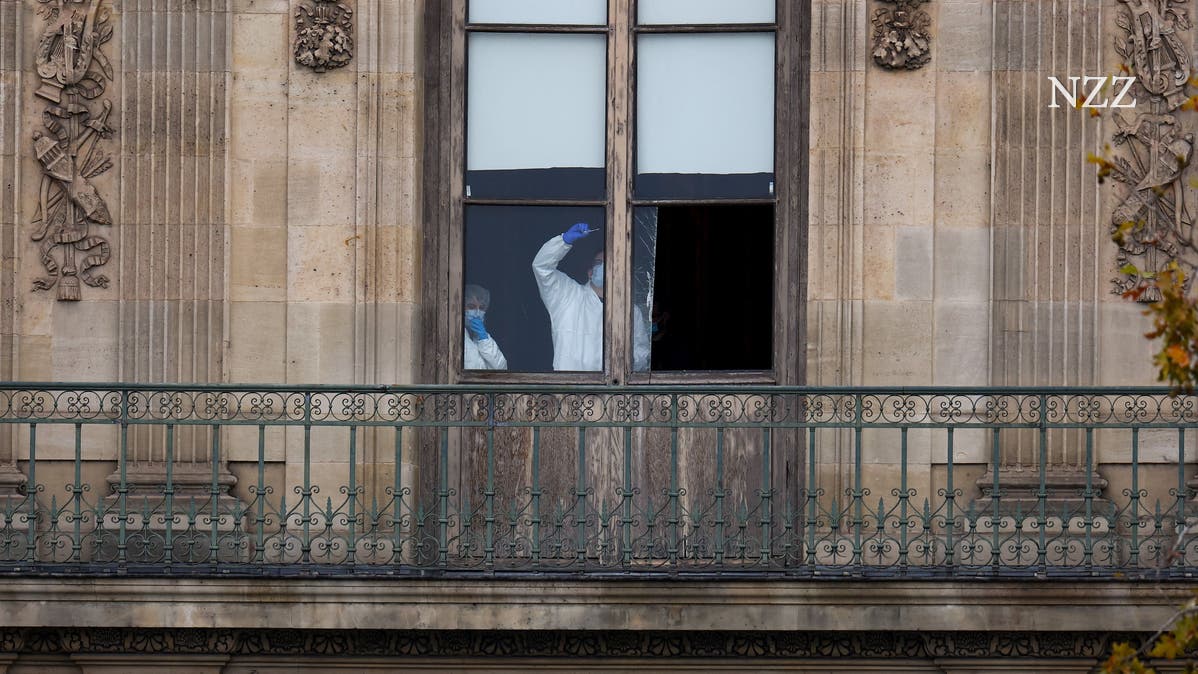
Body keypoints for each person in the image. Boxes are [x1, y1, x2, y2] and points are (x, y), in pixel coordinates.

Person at [532, 223, 650, 372]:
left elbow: (641, 353)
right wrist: (563, 241)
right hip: (569, 390)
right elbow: (542, 267)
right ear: (590, 272)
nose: (606, 268)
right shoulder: (567, 296)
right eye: (600, 263)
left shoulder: (631, 312)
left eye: (611, 265)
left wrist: (627, 358)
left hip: (611, 392)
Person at [463, 284, 507, 370]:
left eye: (482, 307)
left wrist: (484, 339)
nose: (477, 312)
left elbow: (501, 368)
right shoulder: (454, 336)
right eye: (471, 307)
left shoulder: (481, 337)